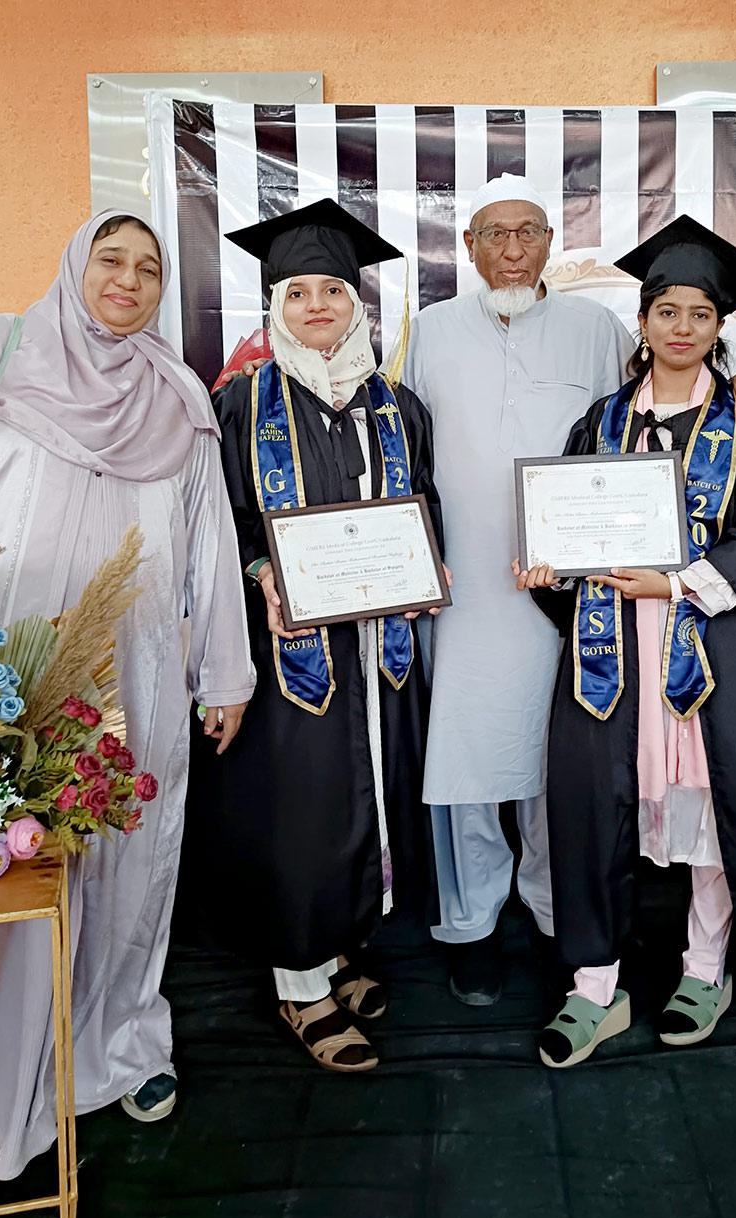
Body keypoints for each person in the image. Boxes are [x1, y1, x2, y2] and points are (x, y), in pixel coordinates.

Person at [0, 211, 255, 1196]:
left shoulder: (179, 395)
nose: (127, 279)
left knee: (126, 861)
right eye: (110, 260)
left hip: (133, 671)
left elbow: (210, 547)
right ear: (75, 266)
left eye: (149, 268)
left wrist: (227, 669)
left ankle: (120, 1041)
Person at [404, 174, 736, 1005]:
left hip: (581, 598)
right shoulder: (426, 332)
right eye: (493, 232)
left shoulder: (597, 328)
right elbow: (405, 451)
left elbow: (658, 411)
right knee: (463, 759)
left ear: (549, 242)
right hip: (465, 581)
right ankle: (469, 925)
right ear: (467, 245)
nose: (511, 248)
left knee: (560, 762)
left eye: (528, 231)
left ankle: (553, 913)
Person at [514, 216, 736, 1065]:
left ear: (720, 329)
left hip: (708, 650)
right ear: (641, 322)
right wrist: (549, 572)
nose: (682, 328)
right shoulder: (597, 424)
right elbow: (564, 531)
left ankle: (705, 967)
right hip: (609, 652)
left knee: (715, 810)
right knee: (593, 809)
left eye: (700, 315)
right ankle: (594, 988)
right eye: (666, 311)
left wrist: (678, 584)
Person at [209, 199, 443, 1071]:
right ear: (274, 307)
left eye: (333, 292)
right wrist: (263, 574)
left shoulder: (398, 406)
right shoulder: (240, 407)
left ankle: (342, 949)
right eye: (297, 292)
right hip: (289, 655)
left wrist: (432, 565)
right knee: (300, 810)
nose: (316, 308)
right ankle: (300, 985)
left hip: (378, 649)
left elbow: (426, 506)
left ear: (357, 304)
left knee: (370, 793)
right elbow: (218, 527)